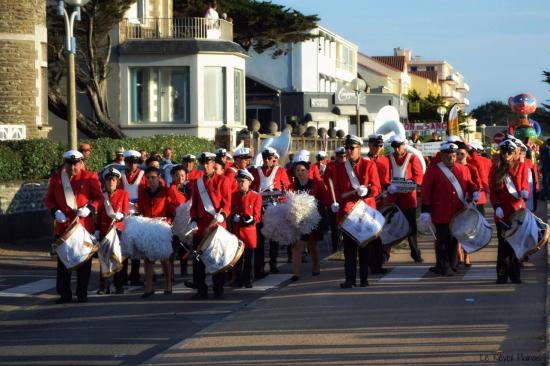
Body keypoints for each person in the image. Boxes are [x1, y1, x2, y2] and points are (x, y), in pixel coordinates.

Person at [44, 150, 103, 303]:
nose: (73, 168)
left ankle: (82, 293)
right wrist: (54, 211)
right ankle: (65, 293)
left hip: (82, 226)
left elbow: (99, 198)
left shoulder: (89, 176)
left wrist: (89, 209)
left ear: (81, 163)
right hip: (63, 227)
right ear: (65, 164)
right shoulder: (57, 179)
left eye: (76, 164)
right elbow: (49, 199)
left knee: (84, 261)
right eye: (70, 165)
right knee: (64, 262)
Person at [331, 135, 381, 288]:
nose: (349, 151)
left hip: (365, 212)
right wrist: (335, 203)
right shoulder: (340, 167)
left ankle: (364, 279)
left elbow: (377, 188)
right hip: (347, 213)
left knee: (365, 248)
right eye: (347, 148)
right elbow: (337, 191)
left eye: (351, 148)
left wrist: (367, 191)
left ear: (359, 148)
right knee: (349, 249)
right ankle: (350, 279)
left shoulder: (369, 165)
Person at [421, 143, 478, 277]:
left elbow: (469, 183)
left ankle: (452, 264)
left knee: (454, 238)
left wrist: (475, 191)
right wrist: (425, 210)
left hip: (457, 211)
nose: (451, 158)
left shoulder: (462, 169)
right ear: (442, 156)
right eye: (448, 156)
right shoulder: (434, 169)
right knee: (442, 239)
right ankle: (444, 266)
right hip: (440, 211)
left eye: (453, 156)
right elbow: (426, 191)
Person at [189, 152, 232, 299]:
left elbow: (227, 204)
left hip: (217, 226)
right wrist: (193, 220)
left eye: (208, 163)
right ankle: (201, 289)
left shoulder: (223, 180)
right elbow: (193, 206)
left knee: (217, 259)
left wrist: (221, 216)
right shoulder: (196, 182)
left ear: (214, 164)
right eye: (203, 164)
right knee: (198, 260)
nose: (205, 166)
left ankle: (218, 289)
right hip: (201, 227)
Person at [490, 139, 529, 284]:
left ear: (514, 153)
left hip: (517, 211)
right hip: (501, 213)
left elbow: (525, 183)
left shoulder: (521, 167)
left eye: (509, 152)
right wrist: (496, 207)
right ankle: (501, 275)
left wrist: (525, 191)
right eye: (503, 152)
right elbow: (493, 193)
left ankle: (515, 274)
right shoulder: (495, 169)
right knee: (503, 244)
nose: (506, 155)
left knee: (516, 244)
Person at [251, 147, 291, 276]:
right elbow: (251, 189)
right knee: (260, 239)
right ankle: (259, 266)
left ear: (274, 158)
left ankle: (273, 264)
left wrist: (282, 198)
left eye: (269, 158)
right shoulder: (256, 171)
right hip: (260, 209)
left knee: (274, 238)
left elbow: (287, 188)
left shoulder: (280, 171)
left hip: (275, 209)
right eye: (265, 158)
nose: (267, 160)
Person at [288, 155, 328, 281]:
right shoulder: (292, 187)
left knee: (312, 245)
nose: (300, 173)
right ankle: (295, 273)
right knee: (297, 245)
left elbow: (324, 199)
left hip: (313, 219)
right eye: (298, 171)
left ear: (308, 171)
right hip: (298, 221)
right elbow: (287, 201)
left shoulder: (316, 184)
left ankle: (316, 265)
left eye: (303, 170)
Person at [386, 135, 424, 264]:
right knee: (390, 227)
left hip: (408, 198)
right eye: (395, 147)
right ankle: (384, 256)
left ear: (404, 145)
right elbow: (385, 177)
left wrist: (408, 184)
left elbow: (419, 177)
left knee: (411, 228)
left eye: (399, 146)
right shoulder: (389, 158)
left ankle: (415, 254)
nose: (397, 149)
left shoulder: (412, 158)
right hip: (393, 198)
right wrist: (388, 185)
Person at [137, 167, 173, 298]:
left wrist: (167, 221)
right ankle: (148, 287)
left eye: (153, 177)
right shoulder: (143, 192)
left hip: (162, 226)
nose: (150, 180)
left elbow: (171, 211)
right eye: (148, 178)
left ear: (159, 177)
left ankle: (168, 284)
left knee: (164, 258)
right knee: (148, 258)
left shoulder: (166, 191)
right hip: (148, 227)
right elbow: (140, 210)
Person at [96, 167, 129, 295]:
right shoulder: (101, 196)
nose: (111, 182)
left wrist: (121, 215)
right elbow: (98, 215)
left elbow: (126, 212)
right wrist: (97, 229)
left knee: (118, 259)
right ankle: (104, 286)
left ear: (117, 182)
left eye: (113, 180)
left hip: (117, 230)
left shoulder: (123, 194)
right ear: (105, 182)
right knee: (104, 259)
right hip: (105, 230)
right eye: (109, 180)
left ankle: (119, 285)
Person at [231, 169, 262, 288]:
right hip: (237, 232)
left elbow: (257, 216)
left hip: (249, 233)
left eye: (242, 181)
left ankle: (248, 279)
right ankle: (238, 279)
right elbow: (231, 209)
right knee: (238, 258)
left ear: (249, 182)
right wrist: (233, 216)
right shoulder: (234, 195)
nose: (239, 184)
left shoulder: (255, 196)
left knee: (248, 259)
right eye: (238, 181)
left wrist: (252, 219)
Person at [120, 150, 146, 286]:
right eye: (130, 162)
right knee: (124, 244)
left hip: (137, 213)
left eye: (135, 162)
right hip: (124, 213)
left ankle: (135, 274)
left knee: (136, 246)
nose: (132, 165)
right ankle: (122, 275)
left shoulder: (143, 175)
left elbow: (146, 193)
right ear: (126, 162)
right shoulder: (120, 176)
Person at [455, 142, 483, 268]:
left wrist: (476, 193)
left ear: (466, 154)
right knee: (456, 230)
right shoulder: (451, 168)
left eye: (462, 154)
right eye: (457, 154)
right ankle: (458, 254)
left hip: (468, 203)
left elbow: (477, 184)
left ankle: (467, 255)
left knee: (467, 231)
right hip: (455, 203)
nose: (459, 156)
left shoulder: (472, 168)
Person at [366, 134, 391, 272]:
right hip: (369, 201)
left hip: (382, 200)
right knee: (371, 235)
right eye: (376, 145)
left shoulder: (385, 161)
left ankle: (380, 262)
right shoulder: (364, 160)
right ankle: (372, 264)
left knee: (381, 233)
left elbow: (386, 179)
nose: (378, 148)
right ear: (370, 145)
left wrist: (388, 188)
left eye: (381, 146)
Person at [167, 165, 191, 277]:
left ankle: (184, 269)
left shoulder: (189, 188)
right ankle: (170, 272)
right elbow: (170, 204)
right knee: (174, 246)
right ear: (172, 176)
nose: (180, 178)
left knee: (184, 246)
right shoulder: (171, 189)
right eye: (177, 175)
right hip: (175, 220)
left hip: (186, 221)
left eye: (182, 175)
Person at [323, 146, 347, 253]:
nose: (342, 158)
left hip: (345, 199)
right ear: (336, 156)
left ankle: (345, 247)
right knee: (334, 226)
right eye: (340, 156)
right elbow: (326, 181)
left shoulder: (349, 165)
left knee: (346, 225)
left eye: (344, 156)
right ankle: (335, 247)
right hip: (333, 200)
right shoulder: (331, 166)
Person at [467, 141, 492, 215]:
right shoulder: (488, 161)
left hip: (475, 190)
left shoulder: (472, 161)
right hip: (483, 190)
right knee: (481, 212)